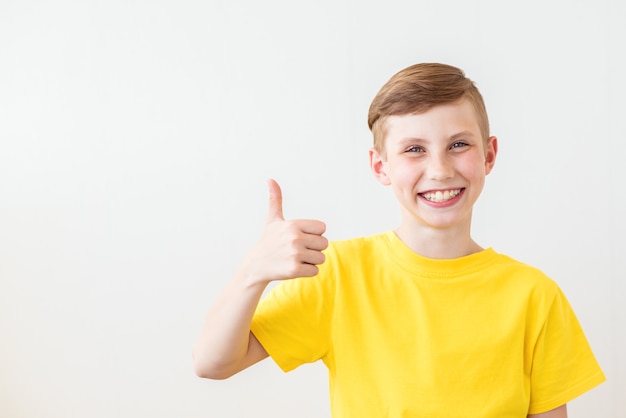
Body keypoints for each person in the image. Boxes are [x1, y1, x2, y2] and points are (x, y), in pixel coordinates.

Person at [192, 63, 606, 417]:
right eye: (414, 149)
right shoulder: (338, 274)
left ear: (489, 155)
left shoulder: (534, 295)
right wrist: (253, 273)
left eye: (458, 144)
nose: (440, 170)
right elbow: (212, 363)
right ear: (380, 165)